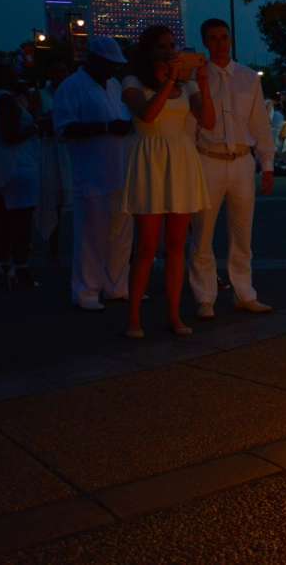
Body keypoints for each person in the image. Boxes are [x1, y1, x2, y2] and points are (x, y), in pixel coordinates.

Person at [121, 25, 214, 337]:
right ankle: (134, 317)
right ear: (149, 51)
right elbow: (148, 115)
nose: (169, 50)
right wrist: (170, 81)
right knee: (146, 246)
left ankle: (174, 315)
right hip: (150, 158)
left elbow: (209, 120)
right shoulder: (133, 82)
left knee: (177, 245)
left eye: (172, 45)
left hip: (180, 158)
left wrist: (201, 82)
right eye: (162, 46)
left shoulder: (186, 86)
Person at [189, 19, 276, 321]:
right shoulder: (196, 77)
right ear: (205, 42)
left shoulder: (248, 78)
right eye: (213, 38)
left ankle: (244, 292)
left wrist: (267, 165)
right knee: (203, 232)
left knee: (242, 232)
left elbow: (260, 125)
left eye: (224, 37)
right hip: (208, 158)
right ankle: (205, 296)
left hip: (240, 160)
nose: (220, 43)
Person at [52, 36, 134, 311]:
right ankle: (86, 290)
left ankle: (116, 286)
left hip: (120, 169)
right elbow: (64, 128)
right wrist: (107, 127)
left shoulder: (113, 85)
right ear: (95, 60)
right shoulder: (72, 87)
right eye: (109, 64)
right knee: (91, 235)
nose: (113, 69)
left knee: (121, 232)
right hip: (91, 173)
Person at [0, 60, 41, 289]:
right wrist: (34, 128)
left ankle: (1, 265)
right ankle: (20, 268)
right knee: (22, 221)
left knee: (0, 218)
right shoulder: (5, 100)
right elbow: (10, 135)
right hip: (17, 165)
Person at [38, 59, 74, 260]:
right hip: (52, 150)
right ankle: (53, 245)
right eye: (57, 72)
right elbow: (37, 120)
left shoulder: (72, 93)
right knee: (53, 200)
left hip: (70, 150)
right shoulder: (42, 94)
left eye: (63, 72)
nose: (60, 76)